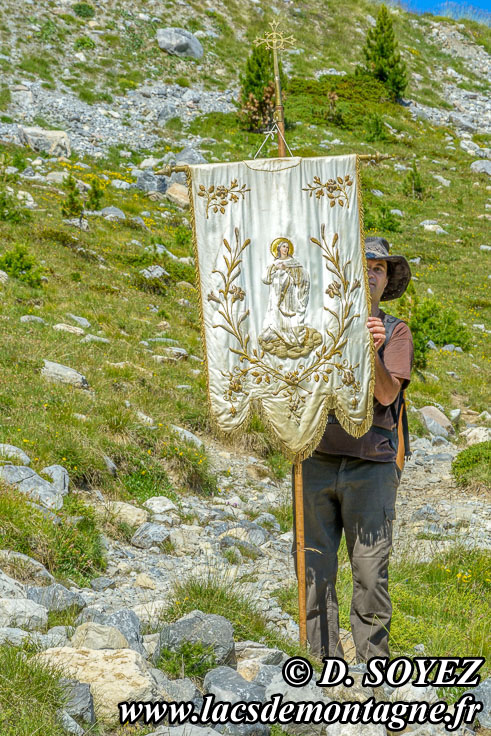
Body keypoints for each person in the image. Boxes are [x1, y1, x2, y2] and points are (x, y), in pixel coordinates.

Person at [294, 235, 413, 663]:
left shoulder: (396, 332)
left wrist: (369, 349)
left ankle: (374, 672)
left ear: (387, 280)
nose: (370, 272)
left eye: (379, 268)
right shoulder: (318, 325)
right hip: (316, 457)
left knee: (369, 572)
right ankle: (325, 668)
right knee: (315, 568)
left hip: (373, 465)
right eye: (363, 265)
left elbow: (385, 396)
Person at [259, 237, 319, 359]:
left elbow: (302, 278)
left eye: (287, 246)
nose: (285, 249)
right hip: (275, 297)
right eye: (283, 246)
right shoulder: (273, 264)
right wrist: (275, 268)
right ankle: (279, 339)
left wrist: (287, 269)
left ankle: (291, 340)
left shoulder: (294, 263)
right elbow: (265, 279)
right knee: (275, 318)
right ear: (278, 249)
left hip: (290, 297)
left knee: (290, 319)